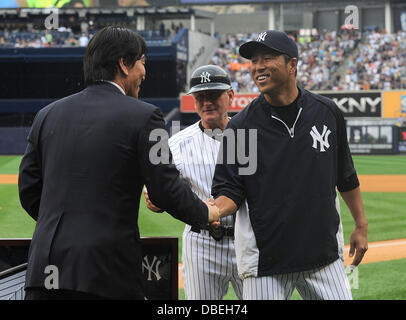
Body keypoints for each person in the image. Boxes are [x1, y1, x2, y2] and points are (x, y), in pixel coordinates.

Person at [18, 26, 219, 300]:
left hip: (44, 273)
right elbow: (165, 189)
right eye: (142, 63)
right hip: (106, 274)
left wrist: (65, 227)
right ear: (124, 65)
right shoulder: (147, 117)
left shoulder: (46, 115)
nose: (144, 73)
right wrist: (207, 214)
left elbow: (29, 189)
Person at [211, 30, 368, 300]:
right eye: (254, 61)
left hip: (323, 256)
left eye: (267, 58)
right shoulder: (240, 128)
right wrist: (210, 210)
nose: (258, 67)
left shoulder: (327, 112)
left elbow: (346, 176)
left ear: (292, 65)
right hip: (265, 263)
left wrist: (361, 225)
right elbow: (230, 192)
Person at [144, 65, 243, 300]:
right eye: (200, 96)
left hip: (248, 239)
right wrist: (155, 199)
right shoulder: (175, 144)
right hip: (201, 242)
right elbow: (157, 196)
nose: (206, 102)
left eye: (213, 95)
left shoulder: (252, 135)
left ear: (230, 95)